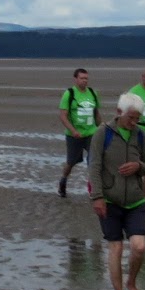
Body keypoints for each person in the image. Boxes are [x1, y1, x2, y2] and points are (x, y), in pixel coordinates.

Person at [93, 93, 145, 290]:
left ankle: (132, 282)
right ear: (119, 113)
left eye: (137, 118)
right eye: (131, 118)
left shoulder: (140, 134)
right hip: (110, 200)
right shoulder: (103, 133)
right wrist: (97, 197)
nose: (134, 122)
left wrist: (138, 166)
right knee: (115, 247)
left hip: (135, 200)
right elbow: (94, 167)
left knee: (139, 246)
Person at [57, 67, 99, 197]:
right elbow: (63, 116)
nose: (84, 81)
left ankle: (93, 189)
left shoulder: (92, 93)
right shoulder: (69, 94)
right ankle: (63, 181)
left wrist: (101, 127)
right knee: (71, 162)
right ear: (76, 79)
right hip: (74, 135)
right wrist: (73, 131)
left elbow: (96, 113)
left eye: (86, 78)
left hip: (91, 134)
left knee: (94, 161)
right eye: (82, 78)